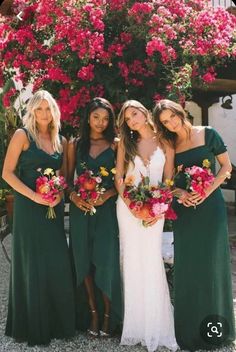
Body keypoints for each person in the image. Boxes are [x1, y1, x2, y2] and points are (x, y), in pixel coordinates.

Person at [153, 99, 235, 351]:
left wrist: (206, 190)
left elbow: (226, 168)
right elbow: (168, 182)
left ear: (180, 112)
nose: (171, 123)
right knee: (188, 266)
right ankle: (188, 329)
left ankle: (217, 329)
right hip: (185, 211)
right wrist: (180, 194)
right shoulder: (170, 144)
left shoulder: (208, 134)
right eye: (165, 122)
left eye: (172, 117)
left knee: (213, 263)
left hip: (210, 208)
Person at [2, 90, 75, 346]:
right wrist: (34, 196)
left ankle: (59, 322)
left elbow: (63, 175)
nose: (44, 114)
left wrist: (58, 194)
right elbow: (8, 173)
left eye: (48, 109)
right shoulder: (22, 135)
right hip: (28, 207)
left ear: (55, 111)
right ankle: (33, 323)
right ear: (32, 110)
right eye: (39, 108)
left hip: (51, 208)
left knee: (56, 261)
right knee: (32, 261)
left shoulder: (60, 140)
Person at [115, 100, 178, 352]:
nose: (132, 121)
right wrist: (131, 205)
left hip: (156, 209)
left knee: (151, 261)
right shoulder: (124, 145)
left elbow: (168, 181)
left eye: (134, 114)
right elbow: (119, 177)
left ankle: (157, 327)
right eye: (127, 120)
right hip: (128, 208)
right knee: (131, 261)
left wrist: (158, 208)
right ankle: (135, 327)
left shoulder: (166, 141)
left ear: (144, 112)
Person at [68, 97, 122, 337]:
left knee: (106, 260)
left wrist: (107, 195)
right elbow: (67, 180)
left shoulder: (116, 145)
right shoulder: (75, 144)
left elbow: (122, 183)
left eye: (105, 118)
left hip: (106, 212)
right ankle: (93, 312)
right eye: (96, 117)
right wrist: (74, 198)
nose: (101, 122)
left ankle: (109, 314)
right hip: (81, 213)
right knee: (84, 262)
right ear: (87, 118)